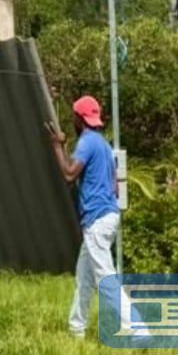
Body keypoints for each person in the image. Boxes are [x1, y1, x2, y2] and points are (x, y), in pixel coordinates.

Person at [47, 96, 120, 339]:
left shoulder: (87, 142)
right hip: (106, 217)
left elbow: (69, 174)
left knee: (105, 277)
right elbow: (115, 189)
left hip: (97, 221)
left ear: (79, 119)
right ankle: (76, 329)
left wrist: (57, 147)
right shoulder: (105, 146)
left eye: (73, 117)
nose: (73, 121)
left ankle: (137, 328)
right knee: (84, 278)